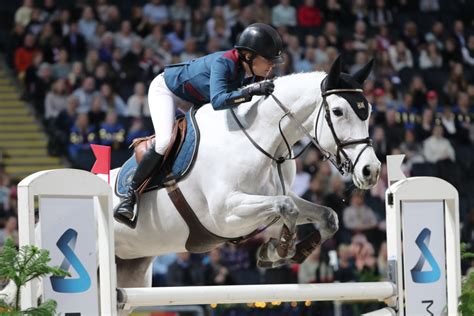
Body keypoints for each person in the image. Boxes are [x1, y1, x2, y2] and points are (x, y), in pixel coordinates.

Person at [114, 23, 283, 228]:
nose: (271, 67)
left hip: (196, 99)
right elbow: (219, 101)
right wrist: (250, 91)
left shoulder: (251, 72)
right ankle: (129, 198)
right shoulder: (225, 63)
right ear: (248, 55)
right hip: (167, 90)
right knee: (165, 141)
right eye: (268, 61)